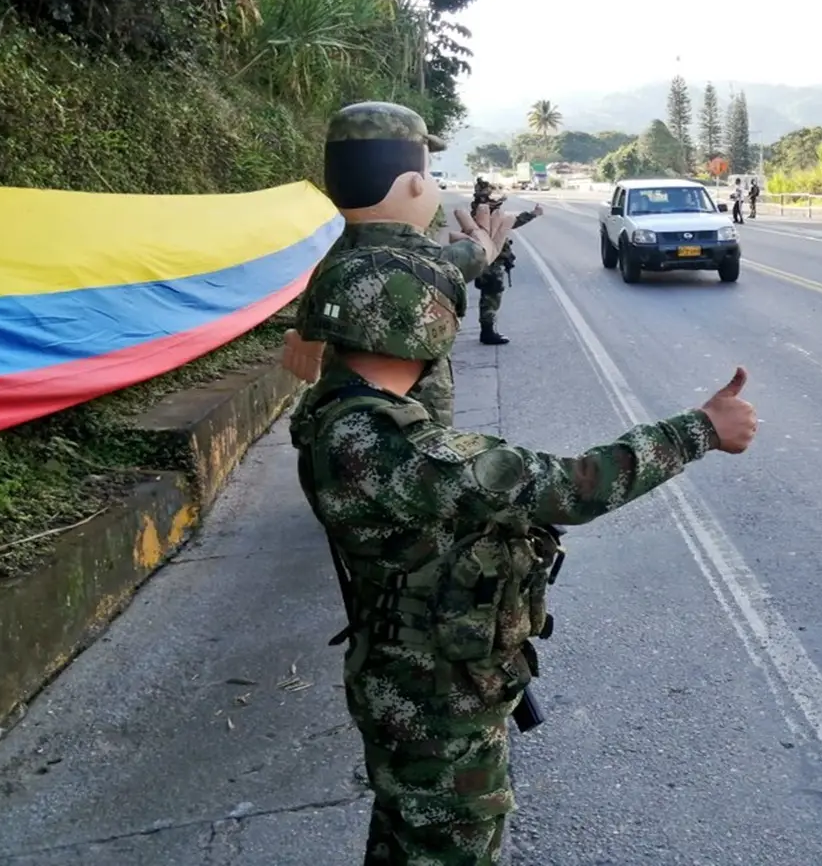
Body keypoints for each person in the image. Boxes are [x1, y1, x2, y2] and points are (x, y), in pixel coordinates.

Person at [289, 245, 758, 865]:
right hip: (432, 693)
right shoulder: (386, 442)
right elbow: (574, 486)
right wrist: (699, 429)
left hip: (413, 671)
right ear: (424, 327)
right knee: (450, 847)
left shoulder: (337, 410)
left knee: (409, 838)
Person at [282, 101, 516, 424]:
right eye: (429, 171)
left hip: (341, 416)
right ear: (415, 184)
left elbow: (317, 298)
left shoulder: (337, 257)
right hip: (416, 422)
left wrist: (307, 341)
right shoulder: (419, 260)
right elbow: (455, 265)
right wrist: (484, 249)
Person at [470, 178, 544, 346]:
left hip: (487, 258)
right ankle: (487, 333)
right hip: (490, 260)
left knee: (490, 295)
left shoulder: (480, 209)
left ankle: (488, 330)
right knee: (491, 295)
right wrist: (533, 214)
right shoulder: (484, 211)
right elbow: (510, 223)